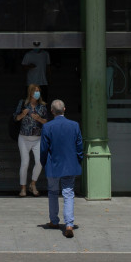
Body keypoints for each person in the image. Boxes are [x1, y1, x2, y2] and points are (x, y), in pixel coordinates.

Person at [40, 99, 83, 238]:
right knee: (68, 193)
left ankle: (54, 221)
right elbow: (79, 146)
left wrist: (43, 162)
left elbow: (44, 149)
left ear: (52, 111)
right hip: (70, 165)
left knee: (53, 192)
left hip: (53, 165)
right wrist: (78, 159)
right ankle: (69, 224)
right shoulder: (74, 125)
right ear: (64, 109)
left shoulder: (47, 127)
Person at [14, 83, 49, 197]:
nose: (37, 93)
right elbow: (15, 118)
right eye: (35, 91)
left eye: (38, 91)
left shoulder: (42, 106)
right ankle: (23, 188)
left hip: (37, 138)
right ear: (30, 93)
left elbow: (46, 122)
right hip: (24, 138)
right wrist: (22, 115)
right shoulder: (23, 104)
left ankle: (33, 183)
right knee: (25, 163)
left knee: (40, 162)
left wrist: (39, 118)